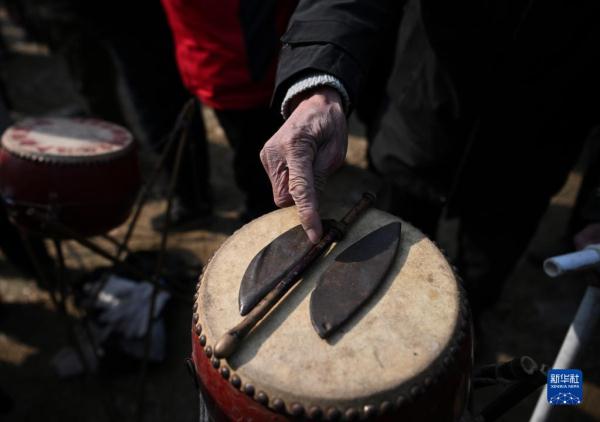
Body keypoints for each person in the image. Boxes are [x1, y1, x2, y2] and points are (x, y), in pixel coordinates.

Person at [260, 0, 600, 315]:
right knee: (388, 263)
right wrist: (317, 88)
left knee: (481, 281)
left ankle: (470, 330)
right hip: (419, 118)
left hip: (533, 152)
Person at [159, 0, 297, 224]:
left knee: (261, 162)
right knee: (253, 155)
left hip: (248, 68)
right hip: (207, 57)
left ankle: (266, 211)